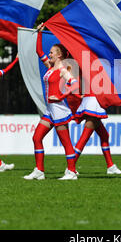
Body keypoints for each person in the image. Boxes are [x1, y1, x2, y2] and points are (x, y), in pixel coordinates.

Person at [24, 23, 80, 180]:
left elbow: (74, 84)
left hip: (59, 109)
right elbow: (38, 51)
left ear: (59, 55)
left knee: (66, 142)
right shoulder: (49, 66)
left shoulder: (63, 69)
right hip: (50, 109)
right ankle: (39, 171)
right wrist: (39, 33)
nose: (49, 55)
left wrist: (62, 97)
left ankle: (71, 172)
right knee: (36, 137)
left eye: (52, 53)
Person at [72, 93, 121, 175]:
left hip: (92, 101)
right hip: (93, 103)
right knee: (84, 138)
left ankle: (110, 166)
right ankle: (70, 167)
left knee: (104, 135)